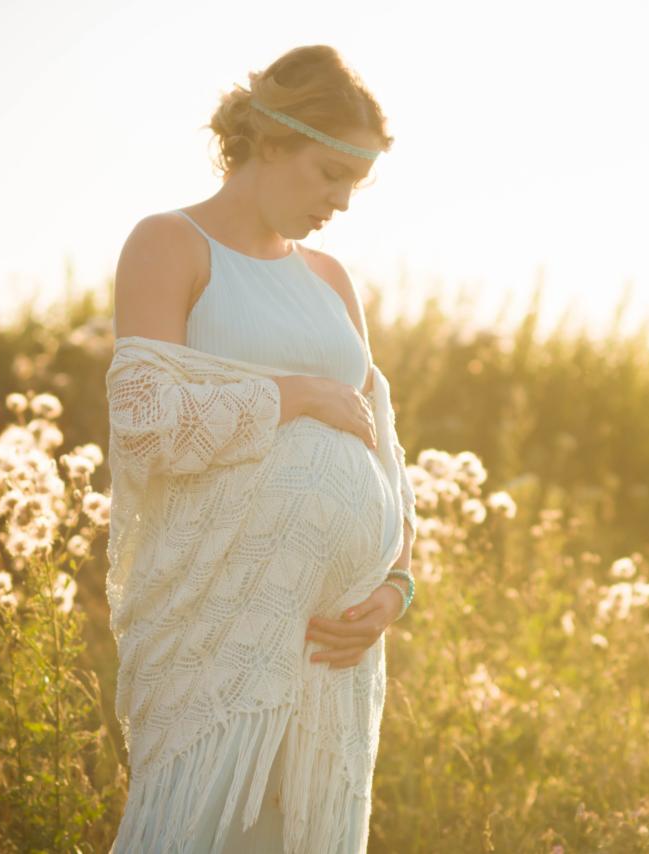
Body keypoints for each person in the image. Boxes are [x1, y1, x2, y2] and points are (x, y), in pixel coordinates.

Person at [106, 44, 416, 853]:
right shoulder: (170, 244)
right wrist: (295, 395)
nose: (342, 201)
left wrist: (395, 590)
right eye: (328, 173)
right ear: (269, 142)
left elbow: (383, 450)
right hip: (220, 627)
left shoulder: (329, 277)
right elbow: (146, 420)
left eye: (356, 182)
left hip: (332, 645)